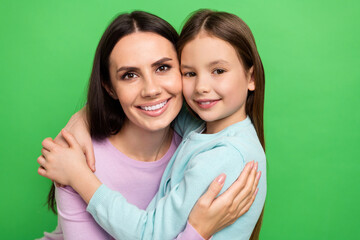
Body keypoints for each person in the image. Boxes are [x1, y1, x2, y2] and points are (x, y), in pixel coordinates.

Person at [38, 11, 260, 240]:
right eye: (130, 75)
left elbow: (149, 233)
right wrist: (83, 117)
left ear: (251, 77)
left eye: (163, 68)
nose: (151, 90)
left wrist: (198, 231)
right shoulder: (76, 157)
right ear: (109, 87)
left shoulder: (219, 153)